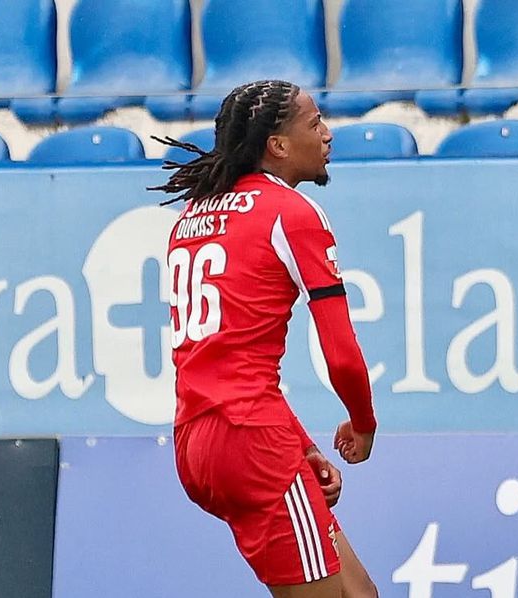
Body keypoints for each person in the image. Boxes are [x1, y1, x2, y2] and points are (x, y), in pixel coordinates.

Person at [150, 79, 379, 598]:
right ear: (277, 145)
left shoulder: (191, 217)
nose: (327, 134)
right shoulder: (292, 213)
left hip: (197, 440)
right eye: (314, 123)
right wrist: (363, 423)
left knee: (358, 594)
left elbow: (224, 359)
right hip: (252, 440)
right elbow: (341, 354)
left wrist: (302, 449)